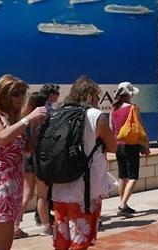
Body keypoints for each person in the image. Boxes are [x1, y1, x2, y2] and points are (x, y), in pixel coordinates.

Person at [0, 75, 46, 249]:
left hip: (13, 185)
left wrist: (35, 125)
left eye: (23, 93)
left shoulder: (12, 119)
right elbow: (0, 137)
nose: (21, 98)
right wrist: (27, 119)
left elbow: (28, 148)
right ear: (2, 95)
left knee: (5, 241)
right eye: (15, 94)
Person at [50, 76, 117, 250]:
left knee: (61, 242)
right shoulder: (95, 115)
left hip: (59, 187)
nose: (98, 100)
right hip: (85, 190)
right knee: (80, 242)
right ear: (90, 95)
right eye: (97, 96)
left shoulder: (57, 112)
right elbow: (113, 146)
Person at [111, 82, 150, 217]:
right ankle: (123, 205)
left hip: (118, 144)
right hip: (131, 145)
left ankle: (124, 204)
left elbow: (112, 128)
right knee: (133, 177)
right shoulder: (133, 108)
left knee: (122, 176)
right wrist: (145, 145)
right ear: (129, 95)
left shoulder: (114, 109)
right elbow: (140, 127)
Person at [18, 92, 51, 236]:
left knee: (27, 193)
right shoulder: (45, 117)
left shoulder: (25, 117)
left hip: (27, 157)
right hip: (41, 158)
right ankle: (46, 227)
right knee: (42, 195)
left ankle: (15, 225)